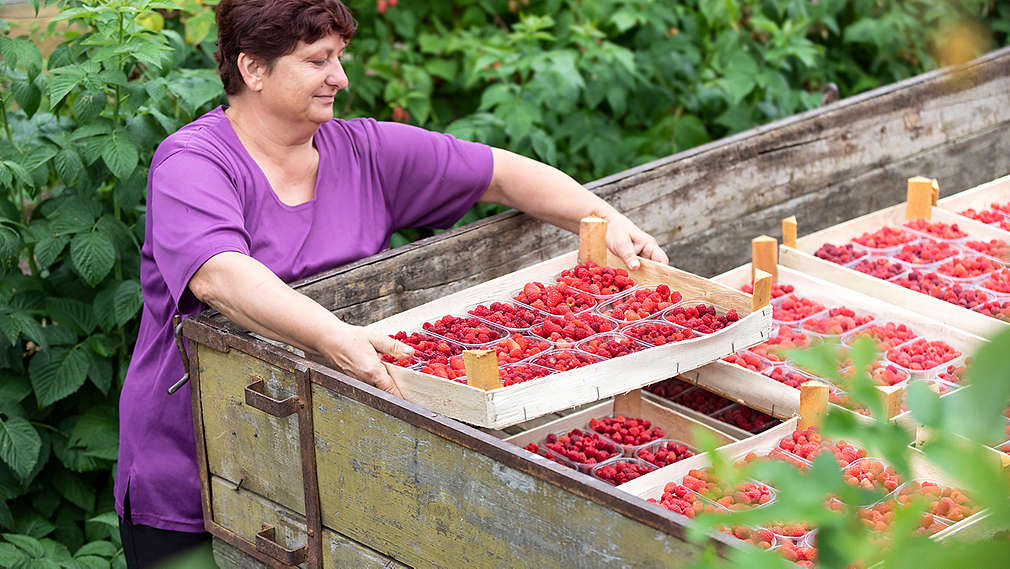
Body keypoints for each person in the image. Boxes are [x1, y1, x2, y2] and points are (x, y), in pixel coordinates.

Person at [114, 0, 669, 566]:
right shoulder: (193, 162)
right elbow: (220, 275)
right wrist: (337, 339)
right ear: (253, 69)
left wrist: (607, 225)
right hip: (200, 467)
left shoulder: (364, 152)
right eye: (317, 60)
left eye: (340, 57)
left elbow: (503, 173)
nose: (340, 77)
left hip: (335, 469)